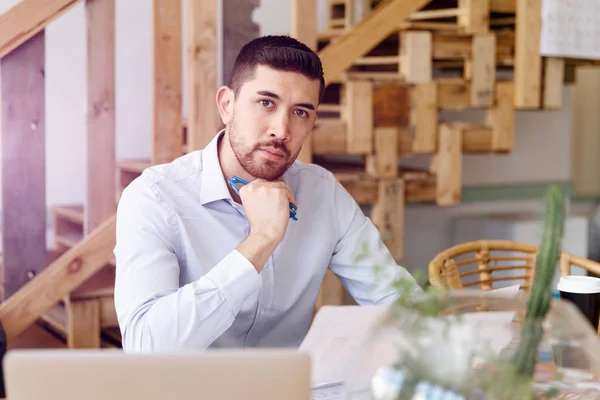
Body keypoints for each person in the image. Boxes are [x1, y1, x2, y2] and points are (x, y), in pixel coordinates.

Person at [113, 35, 420, 353]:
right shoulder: (155, 197)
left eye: (300, 112)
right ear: (227, 105)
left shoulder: (322, 192)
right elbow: (145, 346)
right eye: (266, 103)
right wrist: (261, 241)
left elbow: (395, 298)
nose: (281, 130)